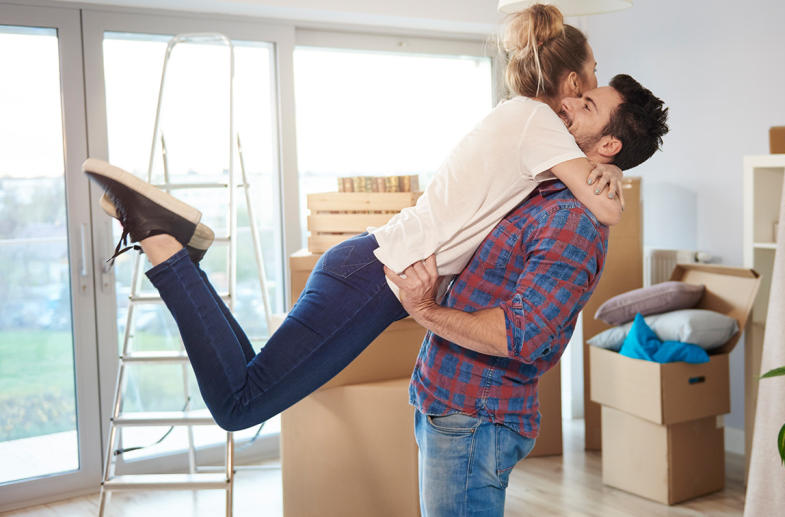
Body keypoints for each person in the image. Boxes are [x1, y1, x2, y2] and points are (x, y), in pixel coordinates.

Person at [81, 3, 660, 433]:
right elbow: (606, 208)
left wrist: (607, 170)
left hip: (365, 269)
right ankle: (161, 241)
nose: (582, 99)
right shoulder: (539, 128)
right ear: (570, 83)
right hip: (373, 279)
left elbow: (585, 192)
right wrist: (611, 179)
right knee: (240, 405)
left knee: (249, 382)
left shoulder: (526, 129)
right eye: (589, 84)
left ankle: (172, 243)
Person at [385, 75, 668, 517]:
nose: (569, 103)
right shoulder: (543, 187)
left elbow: (522, 334)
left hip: (474, 416)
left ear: (609, 145)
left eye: (587, 106)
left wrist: (424, 309)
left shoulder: (571, 220)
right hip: (447, 402)